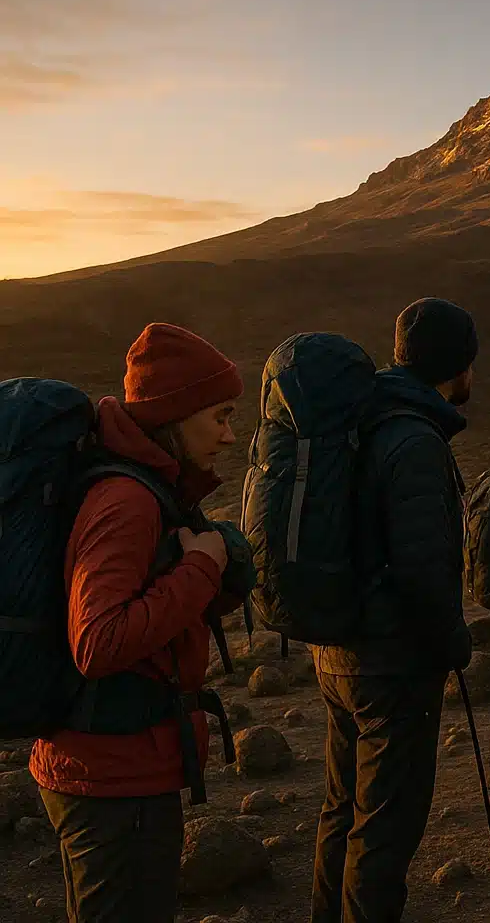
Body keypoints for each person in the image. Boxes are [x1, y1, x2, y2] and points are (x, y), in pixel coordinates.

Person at [30, 322, 245, 923]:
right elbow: (98, 642)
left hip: (119, 768)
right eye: (220, 417)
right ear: (177, 417)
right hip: (112, 779)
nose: (230, 437)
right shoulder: (127, 501)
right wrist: (202, 567)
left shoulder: (147, 488)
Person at [311, 298, 477, 923]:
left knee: (341, 812)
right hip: (391, 663)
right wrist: (452, 641)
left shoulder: (364, 418)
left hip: (338, 651)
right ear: (458, 367)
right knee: (382, 832)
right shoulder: (414, 437)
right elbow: (423, 570)